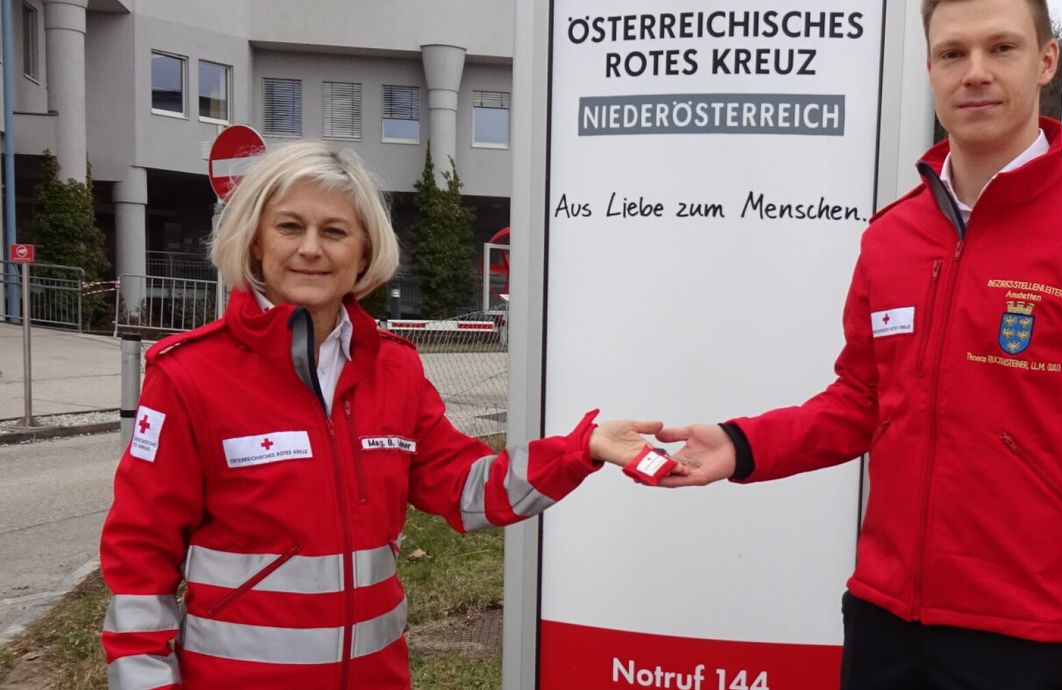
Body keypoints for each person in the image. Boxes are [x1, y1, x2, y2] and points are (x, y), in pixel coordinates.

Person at [657, 0, 1062, 690]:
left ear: (1047, 61)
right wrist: (741, 444)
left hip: (1034, 637)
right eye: (952, 53)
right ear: (929, 68)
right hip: (887, 622)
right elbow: (861, 400)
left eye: (1000, 48)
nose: (974, 72)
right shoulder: (894, 236)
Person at [99, 141, 671, 689]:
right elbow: (140, 555)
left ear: (364, 253)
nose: (311, 249)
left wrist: (582, 449)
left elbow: (470, 488)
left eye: (335, 231)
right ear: (255, 242)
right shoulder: (189, 375)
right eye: (290, 226)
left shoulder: (394, 371)